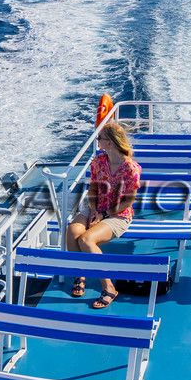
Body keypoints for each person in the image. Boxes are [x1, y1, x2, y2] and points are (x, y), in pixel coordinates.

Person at [66, 121, 141, 309]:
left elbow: (128, 201)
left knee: (86, 240)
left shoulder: (130, 168)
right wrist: (93, 210)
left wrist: (104, 214)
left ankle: (109, 288)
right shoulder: (99, 161)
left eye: (100, 137)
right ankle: (80, 274)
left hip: (118, 214)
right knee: (72, 231)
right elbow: (92, 188)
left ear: (110, 142)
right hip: (96, 208)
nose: (97, 139)